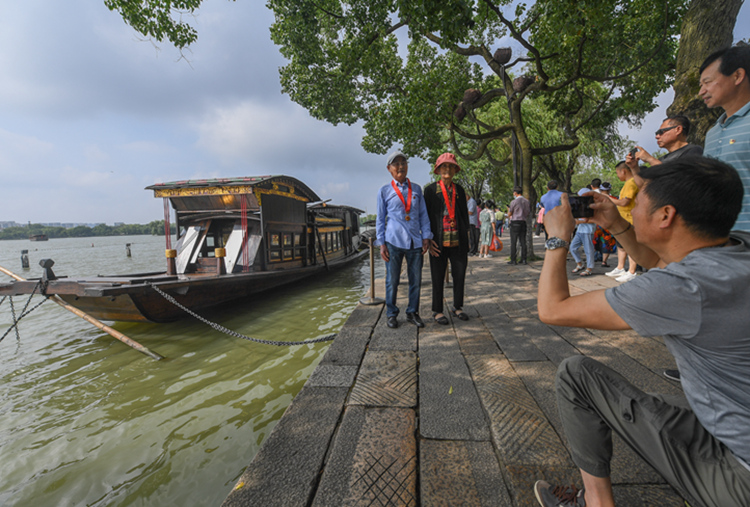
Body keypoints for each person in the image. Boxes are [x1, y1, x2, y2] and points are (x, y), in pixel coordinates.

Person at [535, 156, 750, 507]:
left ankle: (595, 503)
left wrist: (557, 239)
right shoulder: (735, 247)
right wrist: (618, 225)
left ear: (665, 215)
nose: (631, 205)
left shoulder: (685, 288)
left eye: (640, 199)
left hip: (740, 476)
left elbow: (552, 309)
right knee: (659, 403)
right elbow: (663, 261)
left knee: (576, 376)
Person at [376, 150, 432, 329]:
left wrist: (427, 236)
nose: (400, 166)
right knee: (392, 280)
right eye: (396, 164)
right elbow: (380, 218)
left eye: (403, 163)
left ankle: (412, 312)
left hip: (415, 242)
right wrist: (381, 243)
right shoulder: (384, 191)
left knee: (415, 279)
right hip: (393, 242)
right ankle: (391, 313)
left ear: (407, 166)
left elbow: (423, 214)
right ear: (389, 169)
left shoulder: (416, 189)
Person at [700, 45, 750, 232]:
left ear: (738, 76)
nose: (701, 91)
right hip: (719, 242)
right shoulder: (712, 133)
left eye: (708, 82)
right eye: (700, 85)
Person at [424, 152, 470, 325]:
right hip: (438, 242)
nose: (447, 169)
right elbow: (425, 217)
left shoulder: (459, 190)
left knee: (460, 275)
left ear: (455, 170)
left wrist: (468, 238)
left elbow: (464, 216)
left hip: (458, 241)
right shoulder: (429, 190)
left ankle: (457, 306)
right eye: (444, 166)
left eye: (451, 166)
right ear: (438, 170)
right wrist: (427, 240)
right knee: (437, 277)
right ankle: (437, 310)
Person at [627, 115, 703, 185]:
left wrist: (650, 159)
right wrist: (634, 168)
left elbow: (681, 179)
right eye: (656, 133)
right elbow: (644, 187)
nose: (657, 136)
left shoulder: (694, 150)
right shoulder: (661, 160)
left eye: (661, 132)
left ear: (678, 130)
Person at [605, 162, 638, 282]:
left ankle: (632, 271)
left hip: (630, 220)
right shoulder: (627, 184)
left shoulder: (632, 183)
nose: (618, 175)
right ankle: (620, 267)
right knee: (622, 246)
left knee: (631, 246)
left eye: (617, 173)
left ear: (623, 171)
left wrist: (609, 199)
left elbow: (624, 202)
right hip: (623, 219)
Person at [569, 188, 597, 277]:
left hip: (588, 231)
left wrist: (580, 221)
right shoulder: (580, 205)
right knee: (572, 248)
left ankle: (589, 268)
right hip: (580, 230)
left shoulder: (593, 206)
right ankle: (580, 264)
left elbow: (594, 220)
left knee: (588, 250)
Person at [507, 187, 530, 265]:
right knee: (523, 241)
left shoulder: (514, 202)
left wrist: (508, 211)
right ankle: (524, 259)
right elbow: (528, 212)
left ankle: (513, 259)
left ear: (515, 193)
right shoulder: (527, 201)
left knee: (513, 241)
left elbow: (509, 213)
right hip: (523, 222)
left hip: (515, 222)